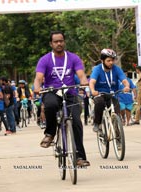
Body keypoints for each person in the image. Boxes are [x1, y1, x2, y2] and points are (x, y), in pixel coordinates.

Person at [34, 30, 90, 167]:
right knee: (50, 106)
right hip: (52, 92)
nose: (59, 43)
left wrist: (84, 81)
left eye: (61, 41)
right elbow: (38, 78)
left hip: (70, 92)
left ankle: (80, 157)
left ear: (64, 42)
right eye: (55, 41)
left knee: (76, 121)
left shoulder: (73, 58)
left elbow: (81, 74)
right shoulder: (45, 59)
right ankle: (50, 133)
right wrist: (37, 87)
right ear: (51, 44)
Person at [89, 48, 130, 132]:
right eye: (108, 60)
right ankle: (97, 123)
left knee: (116, 107)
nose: (111, 62)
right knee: (99, 103)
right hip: (99, 94)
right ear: (102, 60)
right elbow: (92, 82)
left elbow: (124, 80)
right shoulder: (97, 69)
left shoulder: (116, 69)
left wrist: (126, 86)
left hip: (112, 94)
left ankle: (117, 133)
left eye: (112, 60)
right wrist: (93, 91)